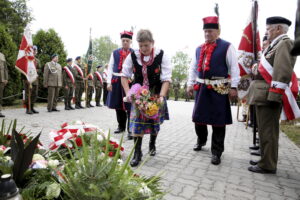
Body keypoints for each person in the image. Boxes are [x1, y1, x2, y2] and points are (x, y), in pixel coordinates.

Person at [187, 16, 240, 165]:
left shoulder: (227, 47)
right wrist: (190, 84)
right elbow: (192, 68)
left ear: (218, 31)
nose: (207, 34)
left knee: (218, 121)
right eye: (205, 31)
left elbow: (234, 68)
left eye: (210, 31)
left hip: (219, 88)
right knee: (198, 118)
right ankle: (201, 140)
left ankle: (216, 152)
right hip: (202, 88)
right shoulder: (198, 49)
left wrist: (234, 87)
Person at [247, 17, 297, 174]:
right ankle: (265, 159)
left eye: (269, 29)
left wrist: (275, 96)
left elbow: (282, 72)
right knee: (264, 130)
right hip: (264, 94)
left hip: (269, 95)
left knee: (268, 131)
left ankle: (267, 164)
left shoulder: (285, 43)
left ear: (278, 29)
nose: (267, 32)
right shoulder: (276, 45)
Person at [121, 29, 172, 167]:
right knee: (137, 126)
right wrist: (128, 93)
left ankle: (152, 143)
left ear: (152, 43)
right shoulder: (132, 56)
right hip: (138, 96)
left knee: (153, 123)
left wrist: (161, 96)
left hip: (156, 94)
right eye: (141, 45)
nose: (143, 49)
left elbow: (166, 79)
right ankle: (137, 153)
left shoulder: (162, 55)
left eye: (146, 45)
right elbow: (124, 75)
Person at [106, 31, 133, 138]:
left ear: (130, 42)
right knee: (118, 106)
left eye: (127, 41)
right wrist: (108, 82)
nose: (125, 42)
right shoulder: (115, 52)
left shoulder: (134, 52)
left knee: (130, 106)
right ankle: (121, 126)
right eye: (123, 41)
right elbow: (110, 67)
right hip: (116, 80)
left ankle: (130, 129)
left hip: (129, 81)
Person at [23, 45, 40, 114]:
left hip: (35, 79)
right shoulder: (26, 59)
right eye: (34, 50)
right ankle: (28, 108)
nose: (35, 52)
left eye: (36, 51)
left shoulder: (37, 60)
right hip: (27, 79)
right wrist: (25, 79)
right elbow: (23, 70)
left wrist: (36, 71)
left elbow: (40, 69)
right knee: (28, 94)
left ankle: (32, 107)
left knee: (34, 94)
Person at [0, 52, 8, 118]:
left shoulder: (2, 55)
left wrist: (6, 78)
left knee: (0, 96)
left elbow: (5, 68)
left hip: (1, 80)